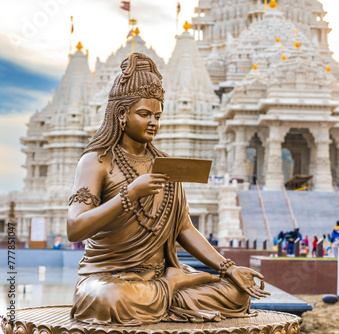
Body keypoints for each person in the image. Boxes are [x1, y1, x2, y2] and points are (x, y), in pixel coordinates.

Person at [66, 53, 269, 325]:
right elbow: (75, 228)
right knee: (109, 300)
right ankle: (172, 287)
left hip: (156, 276)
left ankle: (171, 286)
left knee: (236, 295)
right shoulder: (97, 161)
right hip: (108, 277)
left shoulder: (165, 164)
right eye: (144, 114)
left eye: (158, 115)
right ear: (122, 114)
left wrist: (228, 268)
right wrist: (130, 194)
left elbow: (184, 228)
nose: (153, 122)